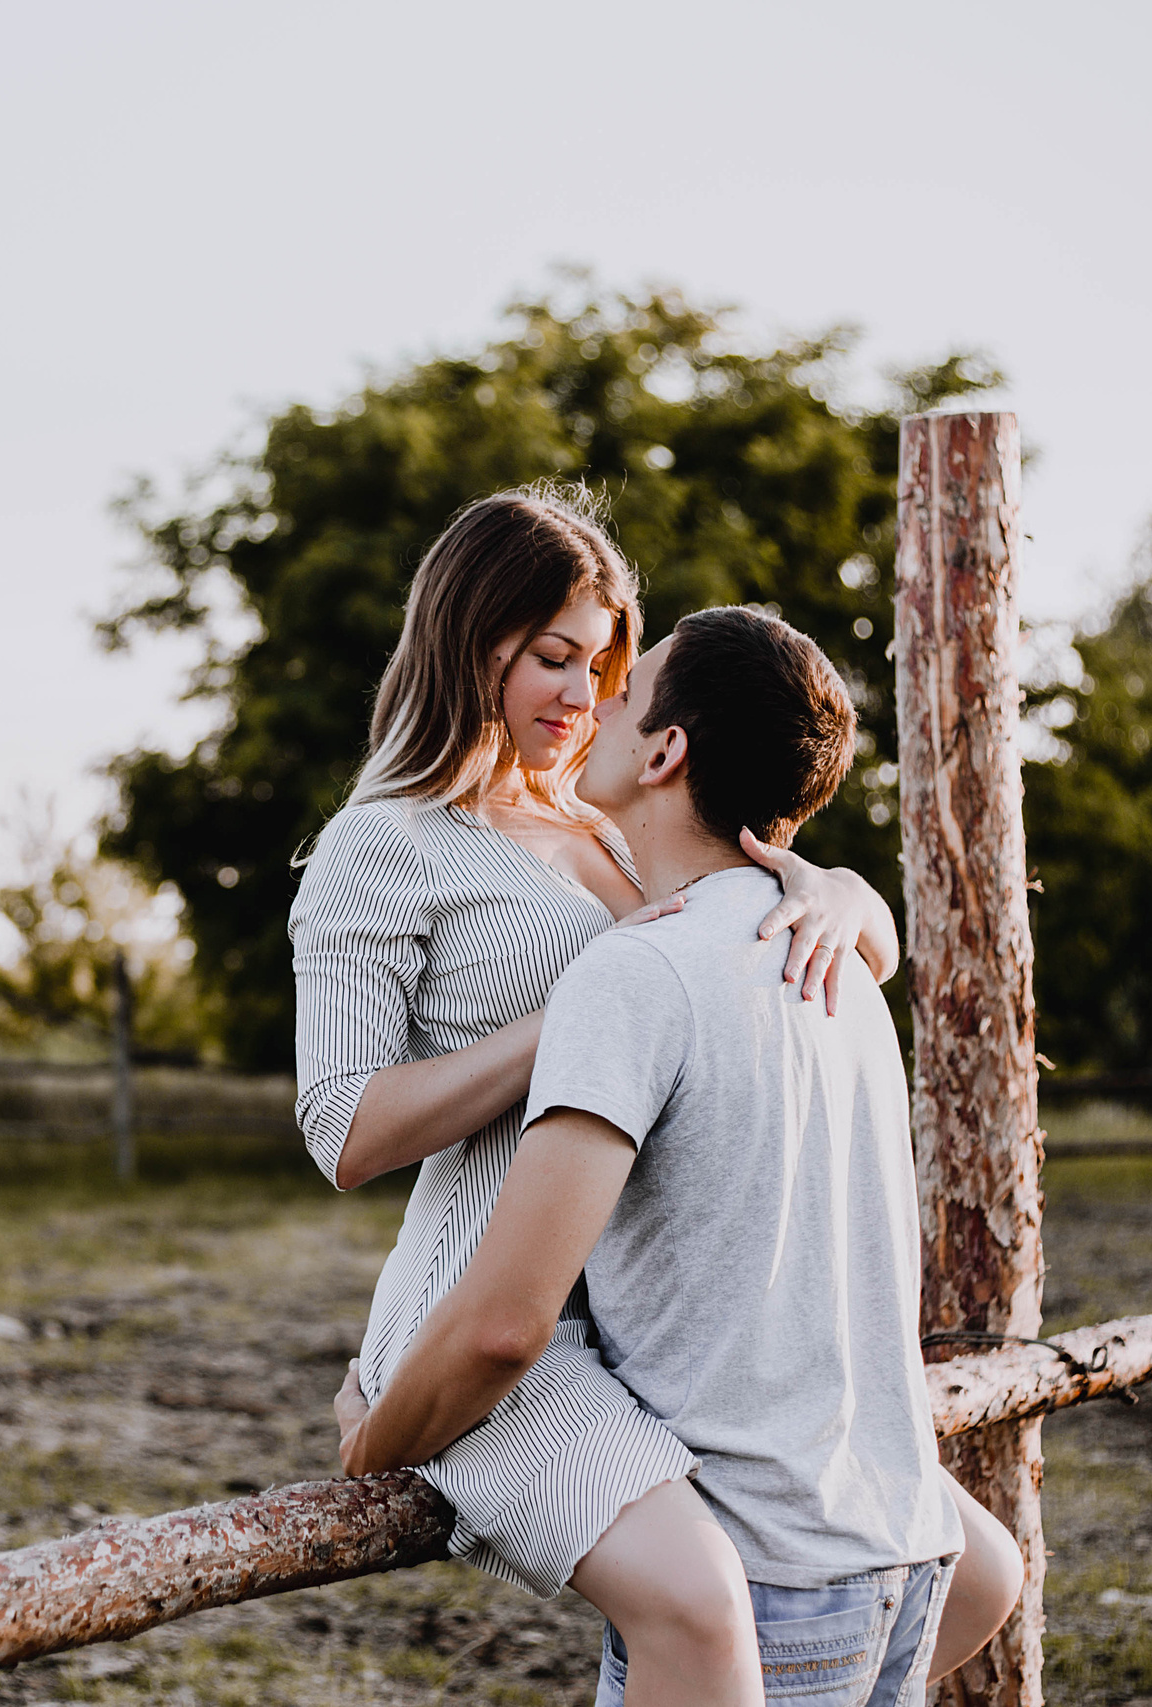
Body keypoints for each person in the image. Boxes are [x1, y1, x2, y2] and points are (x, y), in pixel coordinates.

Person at [290, 486, 924, 1707]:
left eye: (605, 667)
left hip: (652, 1312)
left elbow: (803, 937)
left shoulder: (607, 820)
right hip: (492, 1308)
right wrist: (559, 1029)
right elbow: (345, 1130)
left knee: (971, 1563)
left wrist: (844, 892)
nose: (584, 698)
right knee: (698, 1606)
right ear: (469, 643)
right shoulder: (384, 845)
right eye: (552, 658)